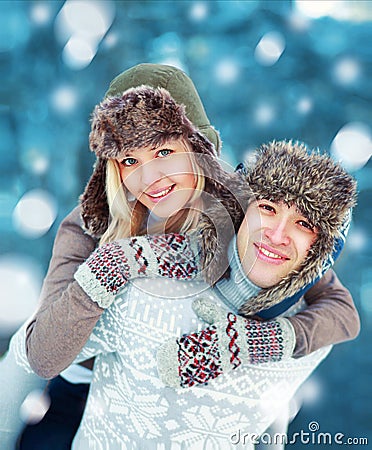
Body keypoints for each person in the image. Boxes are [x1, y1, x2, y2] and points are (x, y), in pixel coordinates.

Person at [0, 64, 358, 449]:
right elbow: (41, 354)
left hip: (192, 400)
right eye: (129, 160)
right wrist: (109, 271)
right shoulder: (88, 226)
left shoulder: (250, 210)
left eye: (165, 151)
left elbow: (338, 309)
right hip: (81, 386)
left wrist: (255, 342)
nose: (150, 177)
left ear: (199, 149)